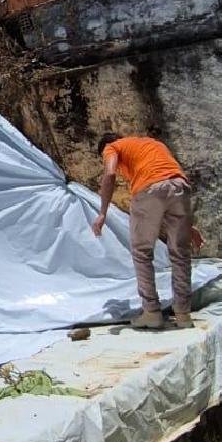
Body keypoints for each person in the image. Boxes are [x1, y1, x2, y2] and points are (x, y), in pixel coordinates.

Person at [91, 132, 195, 330]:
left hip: (149, 189)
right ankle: (183, 315)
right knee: (180, 254)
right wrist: (189, 227)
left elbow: (110, 173)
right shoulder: (152, 144)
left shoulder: (112, 147)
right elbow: (168, 183)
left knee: (142, 252)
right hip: (180, 187)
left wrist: (102, 212)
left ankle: (151, 313)